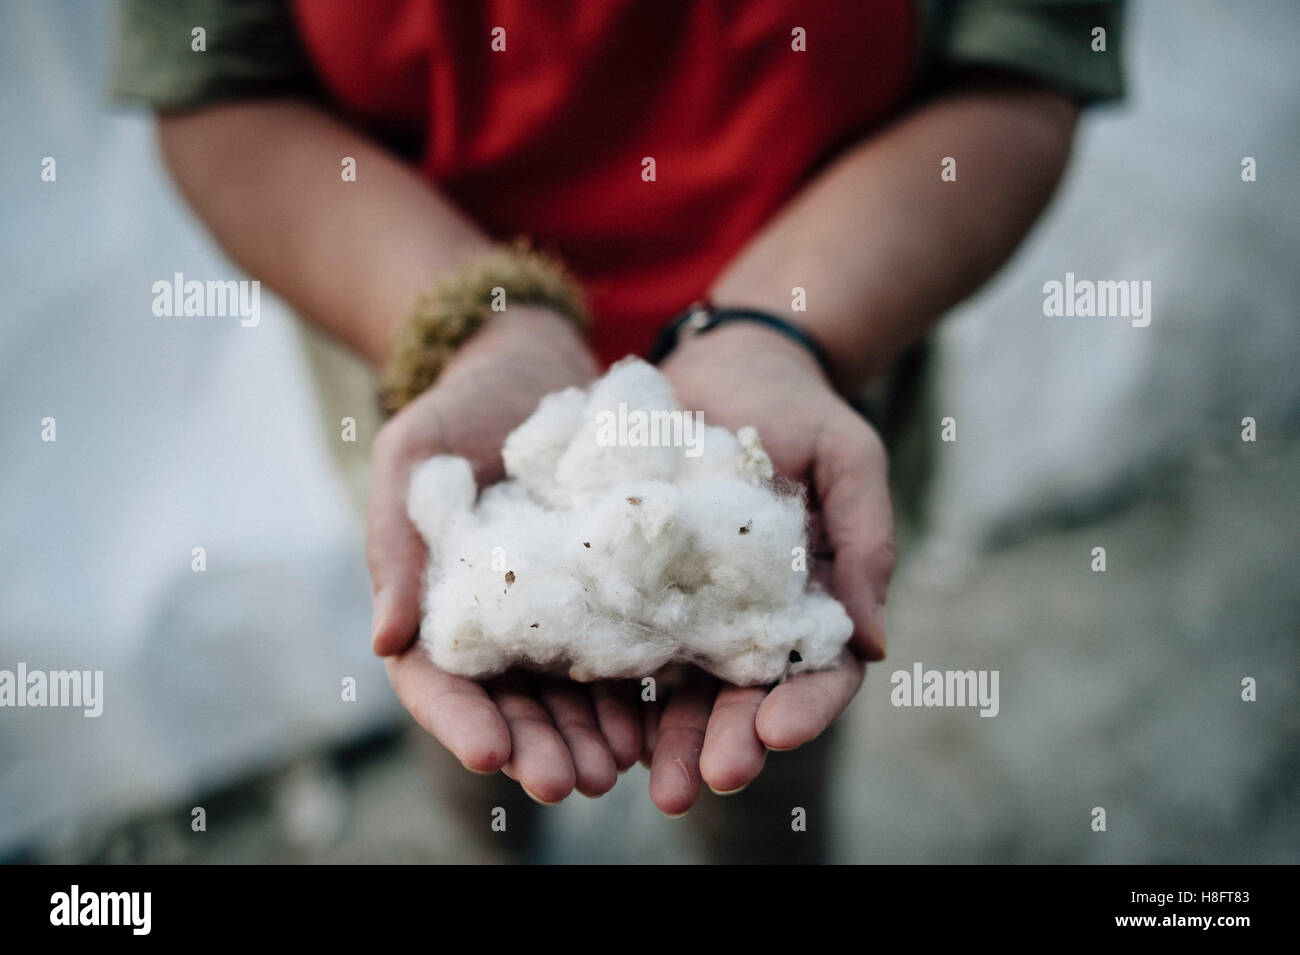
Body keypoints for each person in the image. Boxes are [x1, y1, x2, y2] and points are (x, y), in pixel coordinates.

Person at [114, 0, 1123, 862]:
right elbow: (214, 87)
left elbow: (1020, 65)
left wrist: (779, 327)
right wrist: (481, 324)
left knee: (764, 757)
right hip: (436, 368)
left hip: (814, 372)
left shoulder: (763, 506)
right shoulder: (465, 485)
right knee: (473, 727)